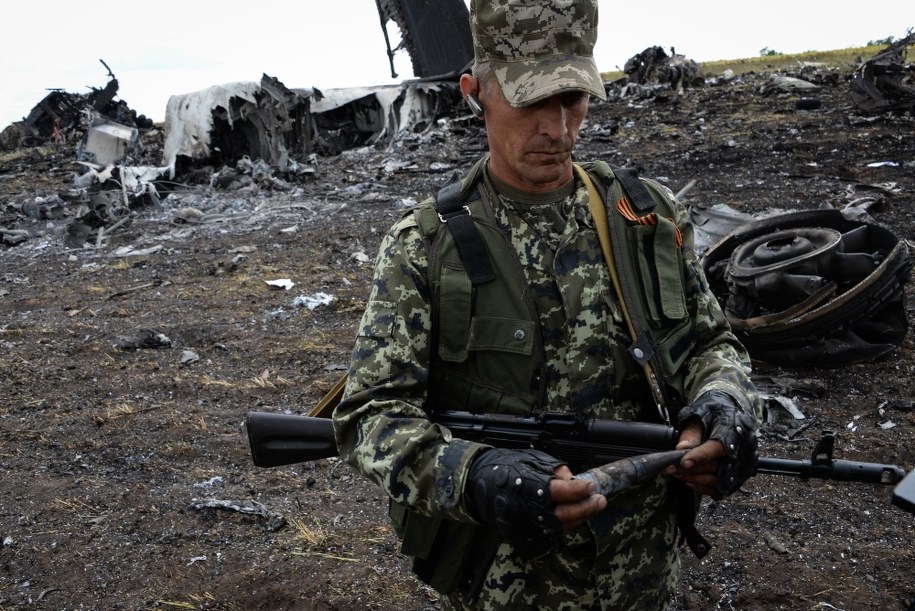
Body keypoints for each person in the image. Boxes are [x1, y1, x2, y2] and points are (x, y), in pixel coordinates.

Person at [333, 0, 762, 608]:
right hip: (506, 579)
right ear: (473, 92)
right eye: (531, 101)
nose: (558, 129)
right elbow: (370, 415)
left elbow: (711, 344)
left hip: (642, 569)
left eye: (573, 100)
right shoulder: (426, 246)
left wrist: (723, 406)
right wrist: (475, 476)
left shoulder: (645, 215)